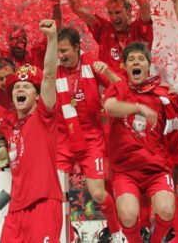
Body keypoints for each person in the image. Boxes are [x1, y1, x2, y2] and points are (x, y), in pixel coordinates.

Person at [103, 42, 178, 243]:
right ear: (124, 66)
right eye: (131, 59)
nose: (136, 62)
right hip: (125, 170)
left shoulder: (162, 96)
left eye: (141, 59)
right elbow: (110, 107)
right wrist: (137, 108)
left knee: (167, 210)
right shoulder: (118, 88)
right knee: (128, 215)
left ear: (148, 65)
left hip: (156, 169)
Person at [0, 20, 62, 243]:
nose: (20, 89)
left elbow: (49, 76)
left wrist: (52, 38)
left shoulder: (44, 115)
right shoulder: (9, 121)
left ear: (37, 95)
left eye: (26, 86)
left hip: (44, 202)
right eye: (16, 87)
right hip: (16, 209)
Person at [53, 27, 123, 238]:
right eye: (58, 51)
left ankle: (117, 231)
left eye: (64, 50)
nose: (60, 56)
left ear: (77, 47)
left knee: (99, 194)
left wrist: (107, 71)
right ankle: (66, 235)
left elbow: (122, 87)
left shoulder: (92, 65)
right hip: (63, 138)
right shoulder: (53, 70)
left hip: (91, 137)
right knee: (55, 194)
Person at [64, 0, 153, 74]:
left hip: (136, 83)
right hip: (108, 84)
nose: (114, 17)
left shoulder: (139, 29)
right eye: (110, 13)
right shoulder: (103, 28)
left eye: (118, 12)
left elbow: (144, 5)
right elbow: (78, 9)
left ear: (128, 11)